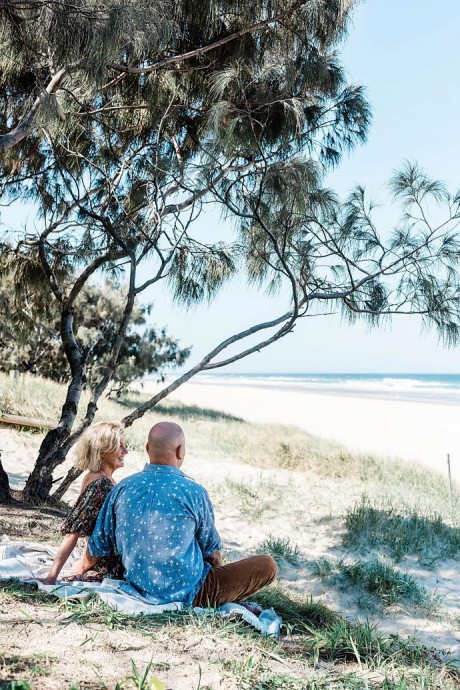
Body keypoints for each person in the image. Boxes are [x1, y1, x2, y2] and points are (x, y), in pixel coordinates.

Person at [74, 421, 277, 607]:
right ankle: (220, 600)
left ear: (147, 449)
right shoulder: (194, 492)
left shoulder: (122, 488)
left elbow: (97, 545)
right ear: (180, 451)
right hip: (190, 593)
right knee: (267, 565)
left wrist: (77, 570)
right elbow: (212, 553)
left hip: (136, 586)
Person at [39, 421, 128, 585]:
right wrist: (52, 576)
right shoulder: (100, 484)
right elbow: (73, 532)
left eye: (125, 445)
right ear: (102, 451)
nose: (125, 451)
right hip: (107, 564)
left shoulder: (96, 477)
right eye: (119, 446)